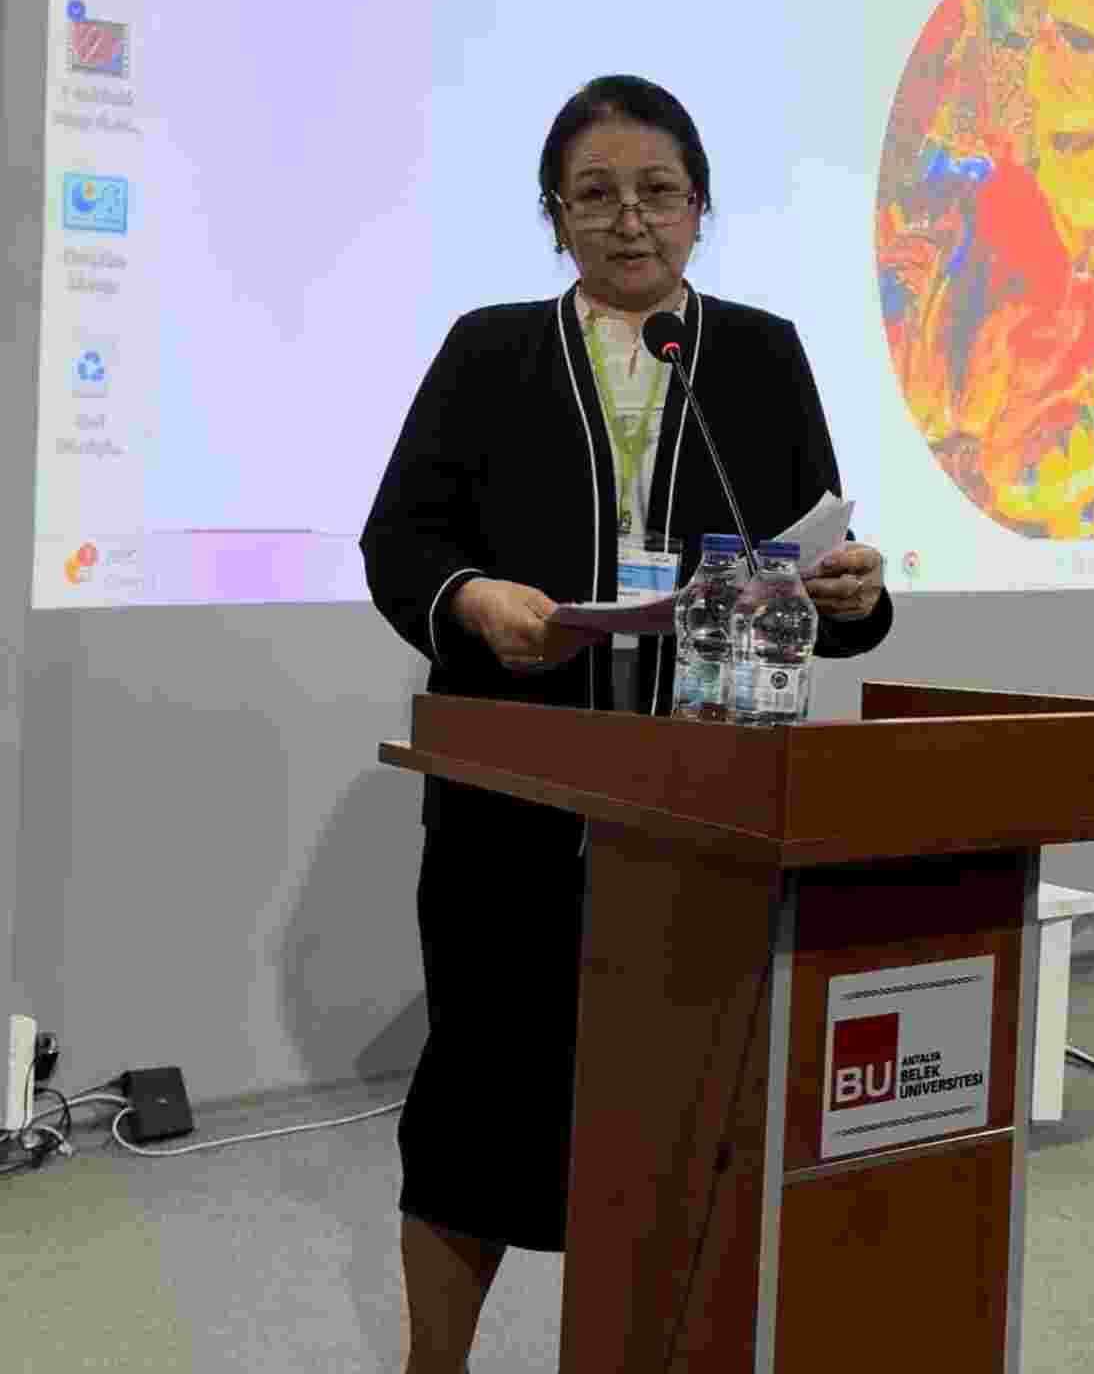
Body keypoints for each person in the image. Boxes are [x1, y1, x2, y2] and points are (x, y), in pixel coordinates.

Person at [361, 75, 893, 1373]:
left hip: (709, 807)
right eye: (594, 194)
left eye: (658, 191)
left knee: (692, 1108)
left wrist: (855, 593)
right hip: (513, 800)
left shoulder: (759, 355)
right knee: (481, 1104)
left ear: (700, 208)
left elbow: (820, 561)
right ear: (555, 216)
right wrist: (472, 597)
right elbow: (401, 541)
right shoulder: (490, 351)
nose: (630, 219)